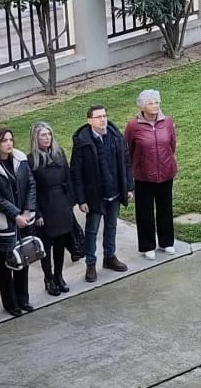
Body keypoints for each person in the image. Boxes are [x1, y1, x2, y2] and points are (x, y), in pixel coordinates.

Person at [69, 106, 133, 279]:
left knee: (111, 226)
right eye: (98, 117)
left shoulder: (115, 136)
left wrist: (128, 187)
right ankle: (91, 264)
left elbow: (125, 162)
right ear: (89, 121)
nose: (103, 119)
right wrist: (81, 200)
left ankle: (109, 257)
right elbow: (76, 172)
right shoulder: (82, 142)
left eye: (104, 116)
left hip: (115, 192)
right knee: (92, 230)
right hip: (94, 196)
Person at [0, 127, 40, 315]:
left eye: (10, 139)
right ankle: (10, 303)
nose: (8, 143)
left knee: (23, 256)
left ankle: (23, 299)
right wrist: (16, 214)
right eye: (4, 140)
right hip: (3, 221)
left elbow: (31, 184)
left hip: (24, 217)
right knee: (6, 261)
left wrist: (28, 210)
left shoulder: (20, 159)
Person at [124, 90, 179, 259]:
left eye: (156, 102)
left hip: (165, 172)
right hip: (143, 175)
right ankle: (147, 245)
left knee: (165, 208)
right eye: (150, 103)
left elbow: (172, 144)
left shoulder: (168, 122)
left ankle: (167, 242)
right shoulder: (133, 126)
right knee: (144, 211)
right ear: (142, 106)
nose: (155, 106)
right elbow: (128, 149)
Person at [27, 121, 77, 295]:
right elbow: (31, 188)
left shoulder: (59, 153)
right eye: (43, 135)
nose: (47, 138)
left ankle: (59, 275)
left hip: (61, 203)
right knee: (46, 246)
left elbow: (68, 177)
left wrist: (71, 201)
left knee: (60, 243)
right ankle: (48, 278)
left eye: (49, 134)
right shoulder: (31, 159)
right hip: (45, 205)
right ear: (36, 138)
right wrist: (37, 212)